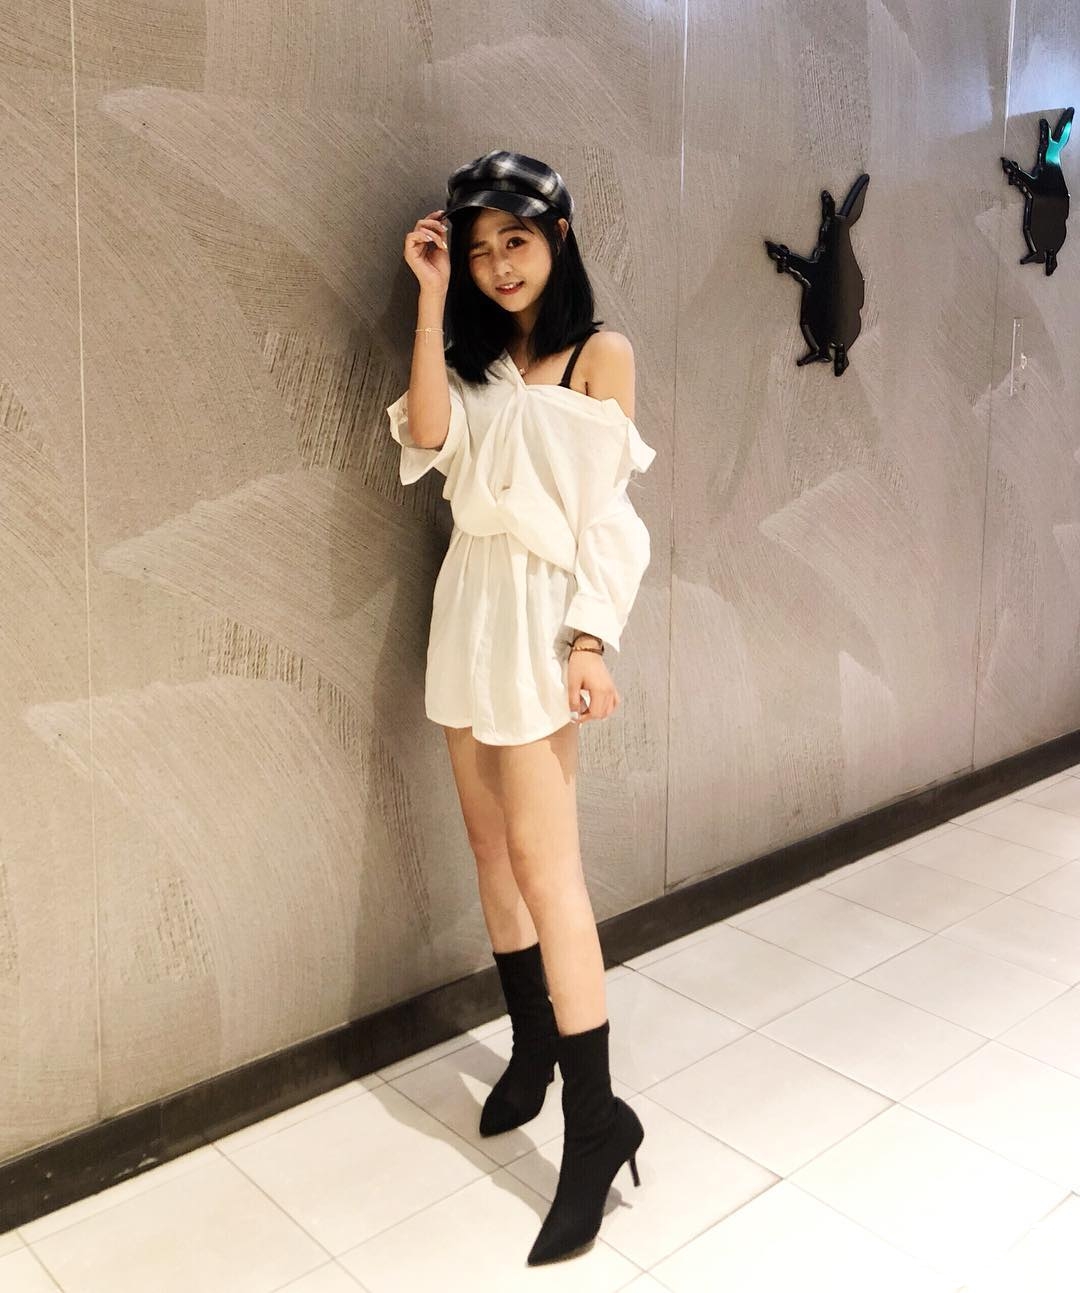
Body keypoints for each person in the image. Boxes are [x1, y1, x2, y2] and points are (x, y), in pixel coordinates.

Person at [386, 149, 656, 1266]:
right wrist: (431, 297)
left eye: (518, 241)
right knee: (489, 850)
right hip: (469, 605)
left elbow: (610, 519)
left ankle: (596, 1125)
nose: (501, 264)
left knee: (552, 875)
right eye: (481, 246)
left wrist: (591, 638)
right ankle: (533, 1047)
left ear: (558, 239)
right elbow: (425, 436)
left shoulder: (600, 355)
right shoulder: (468, 352)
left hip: (546, 617)